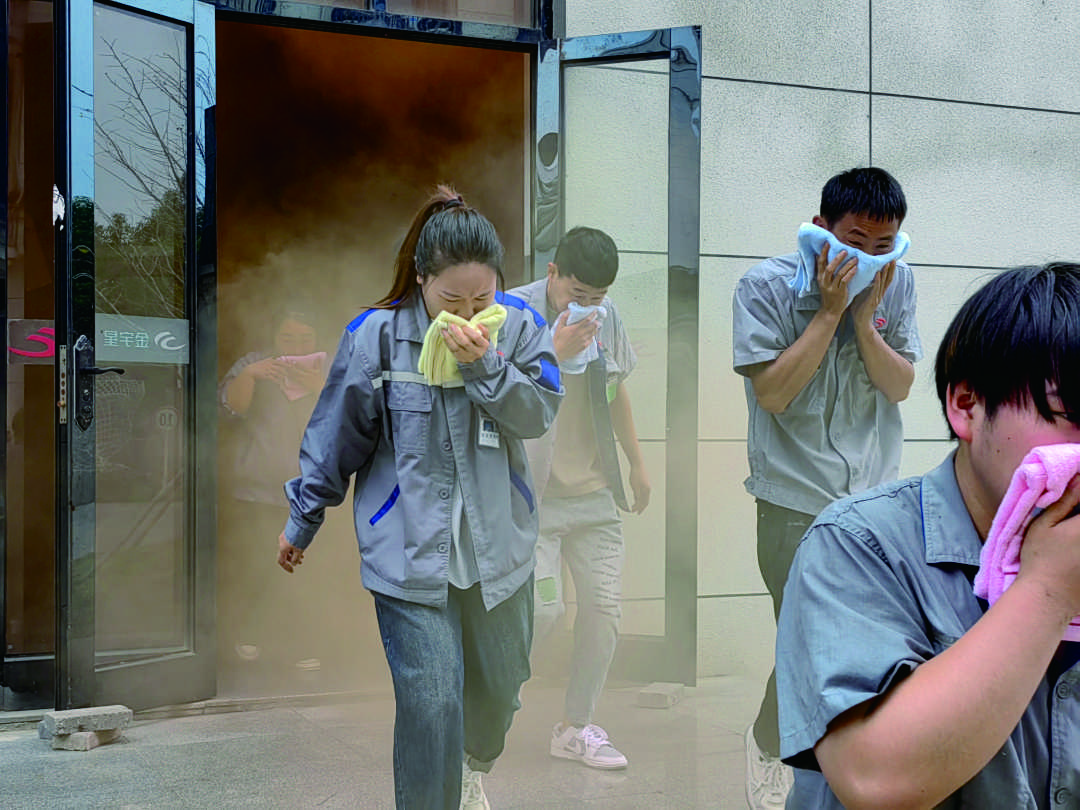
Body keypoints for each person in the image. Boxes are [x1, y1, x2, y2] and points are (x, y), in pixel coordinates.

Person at [276, 185, 563, 810]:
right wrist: (303, 518)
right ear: (421, 280)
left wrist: (486, 367)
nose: (467, 313)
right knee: (431, 704)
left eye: (482, 298)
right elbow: (335, 439)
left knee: (503, 687)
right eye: (450, 300)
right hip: (407, 551)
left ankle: (472, 764)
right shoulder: (375, 336)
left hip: (499, 551)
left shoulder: (521, 328)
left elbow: (539, 413)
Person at [775, 262, 1080, 808]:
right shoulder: (857, 544)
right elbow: (875, 779)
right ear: (967, 406)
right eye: (1070, 411)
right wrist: (1049, 589)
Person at [731, 167, 922, 809]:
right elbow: (774, 393)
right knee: (808, 645)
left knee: (859, 646)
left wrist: (865, 322)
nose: (868, 257)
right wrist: (831, 311)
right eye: (854, 241)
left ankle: (807, 750)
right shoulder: (765, 286)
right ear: (821, 229)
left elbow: (899, 386)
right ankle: (778, 751)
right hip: (793, 503)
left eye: (883, 245)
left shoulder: (899, 282)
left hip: (872, 503)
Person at [510, 226, 650, 770]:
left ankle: (575, 727)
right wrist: (552, 347)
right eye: (577, 293)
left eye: (598, 296)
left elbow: (615, 391)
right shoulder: (514, 313)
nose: (587, 305)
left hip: (593, 497)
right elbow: (493, 393)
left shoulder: (605, 317)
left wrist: (636, 463)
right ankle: (487, 701)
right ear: (552, 274)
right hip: (534, 499)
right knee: (544, 610)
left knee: (603, 610)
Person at [218, 302, 327, 678]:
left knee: (308, 571)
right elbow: (229, 409)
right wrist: (250, 375)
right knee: (255, 567)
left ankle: (303, 644)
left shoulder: (329, 366)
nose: (296, 346)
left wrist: (318, 387)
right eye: (287, 338)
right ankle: (250, 636)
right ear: (273, 337)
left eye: (305, 338)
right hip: (257, 487)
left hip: (313, 491)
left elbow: (356, 416)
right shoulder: (254, 362)